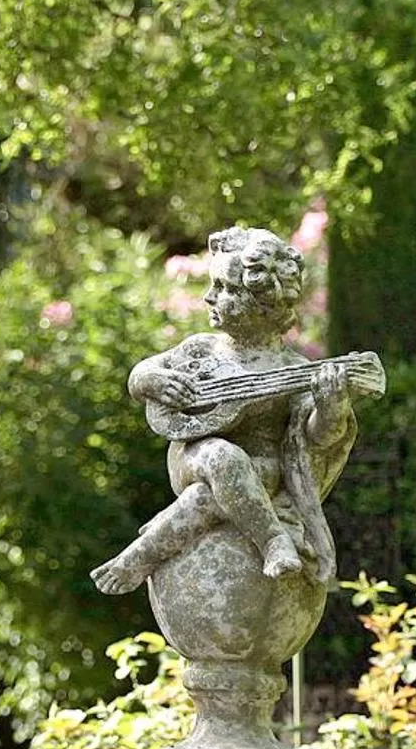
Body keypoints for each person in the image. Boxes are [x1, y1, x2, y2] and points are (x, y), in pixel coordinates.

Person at [91, 226, 359, 595]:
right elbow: (139, 376)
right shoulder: (202, 349)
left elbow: (318, 439)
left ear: (265, 303)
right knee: (224, 456)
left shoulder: (292, 371)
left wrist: (332, 407)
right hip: (193, 456)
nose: (208, 297)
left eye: (225, 289)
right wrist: (153, 382)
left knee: (211, 495)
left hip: (263, 472)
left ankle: (141, 555)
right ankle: (272, 541)